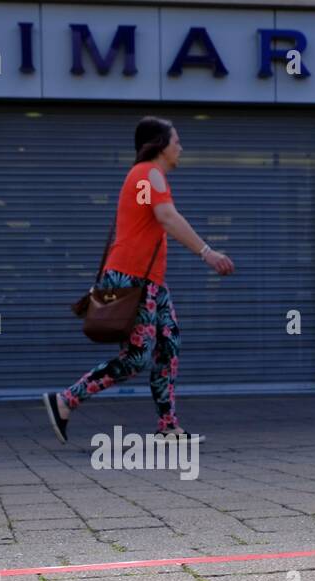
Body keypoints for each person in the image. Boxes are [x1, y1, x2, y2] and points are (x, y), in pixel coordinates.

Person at [43, 116, 234, 444]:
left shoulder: (145, 178)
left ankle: (168, 426)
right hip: (133, 280)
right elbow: (167, 217)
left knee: (168, 345)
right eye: (177, 141)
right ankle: (65, 400)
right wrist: (207, 252)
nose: (181, 148)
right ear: (160, 145)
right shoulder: (148, 173)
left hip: (151, 282)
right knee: (136, 358)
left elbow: (150, 217)